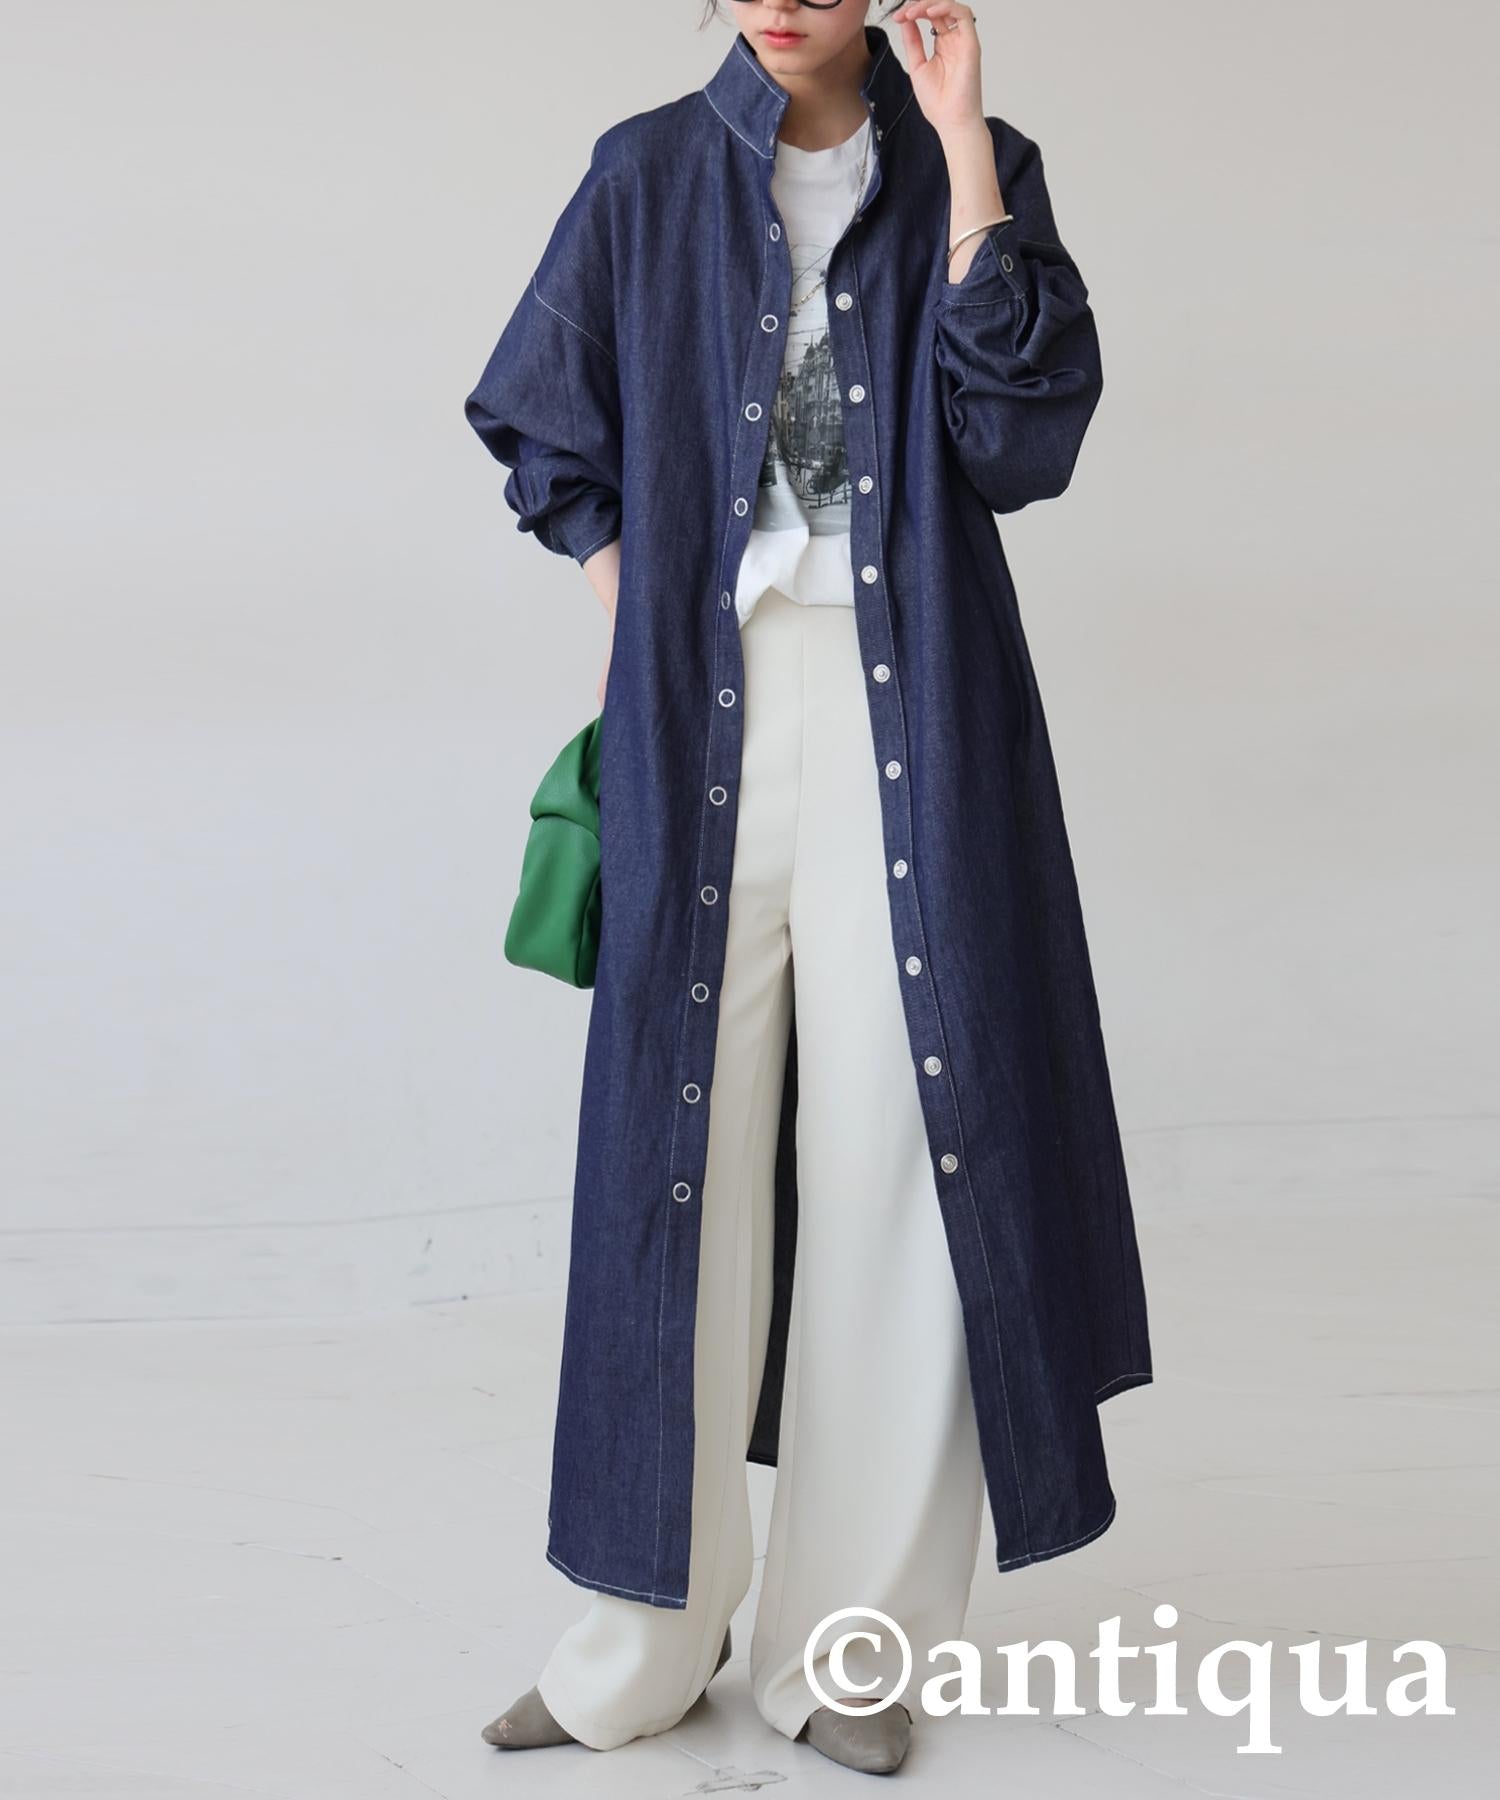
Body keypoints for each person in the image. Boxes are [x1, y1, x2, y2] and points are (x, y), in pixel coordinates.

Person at [463, 0, 1153, 1775]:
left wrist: (969, 144)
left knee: (906, 1157)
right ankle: (642, 1637)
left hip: (916, 709)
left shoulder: (974, 172)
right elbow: (551, 430)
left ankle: (851, 1651)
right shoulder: (643, 174)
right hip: (705, 713)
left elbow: (1020, 445)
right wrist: (642, 617)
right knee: (667, 1155)